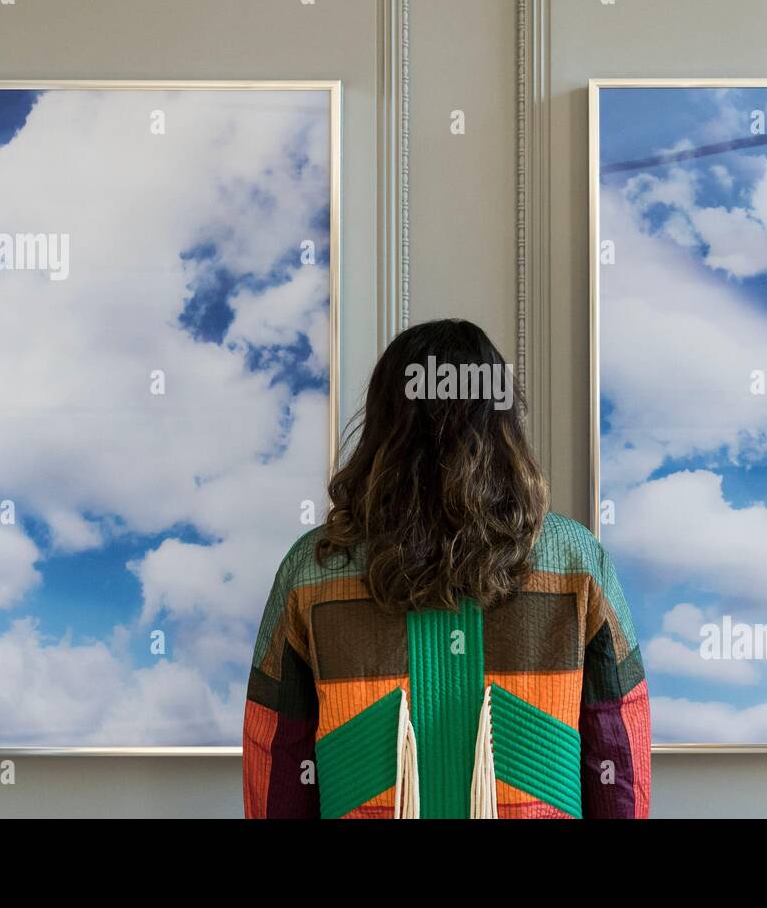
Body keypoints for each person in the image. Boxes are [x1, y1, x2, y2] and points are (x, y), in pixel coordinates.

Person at [242, 319, 650, 819]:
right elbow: (616, 751)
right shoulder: (575, 560)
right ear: (502, 423)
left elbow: (279, 759)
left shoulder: (314, 569)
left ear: (383, 425)